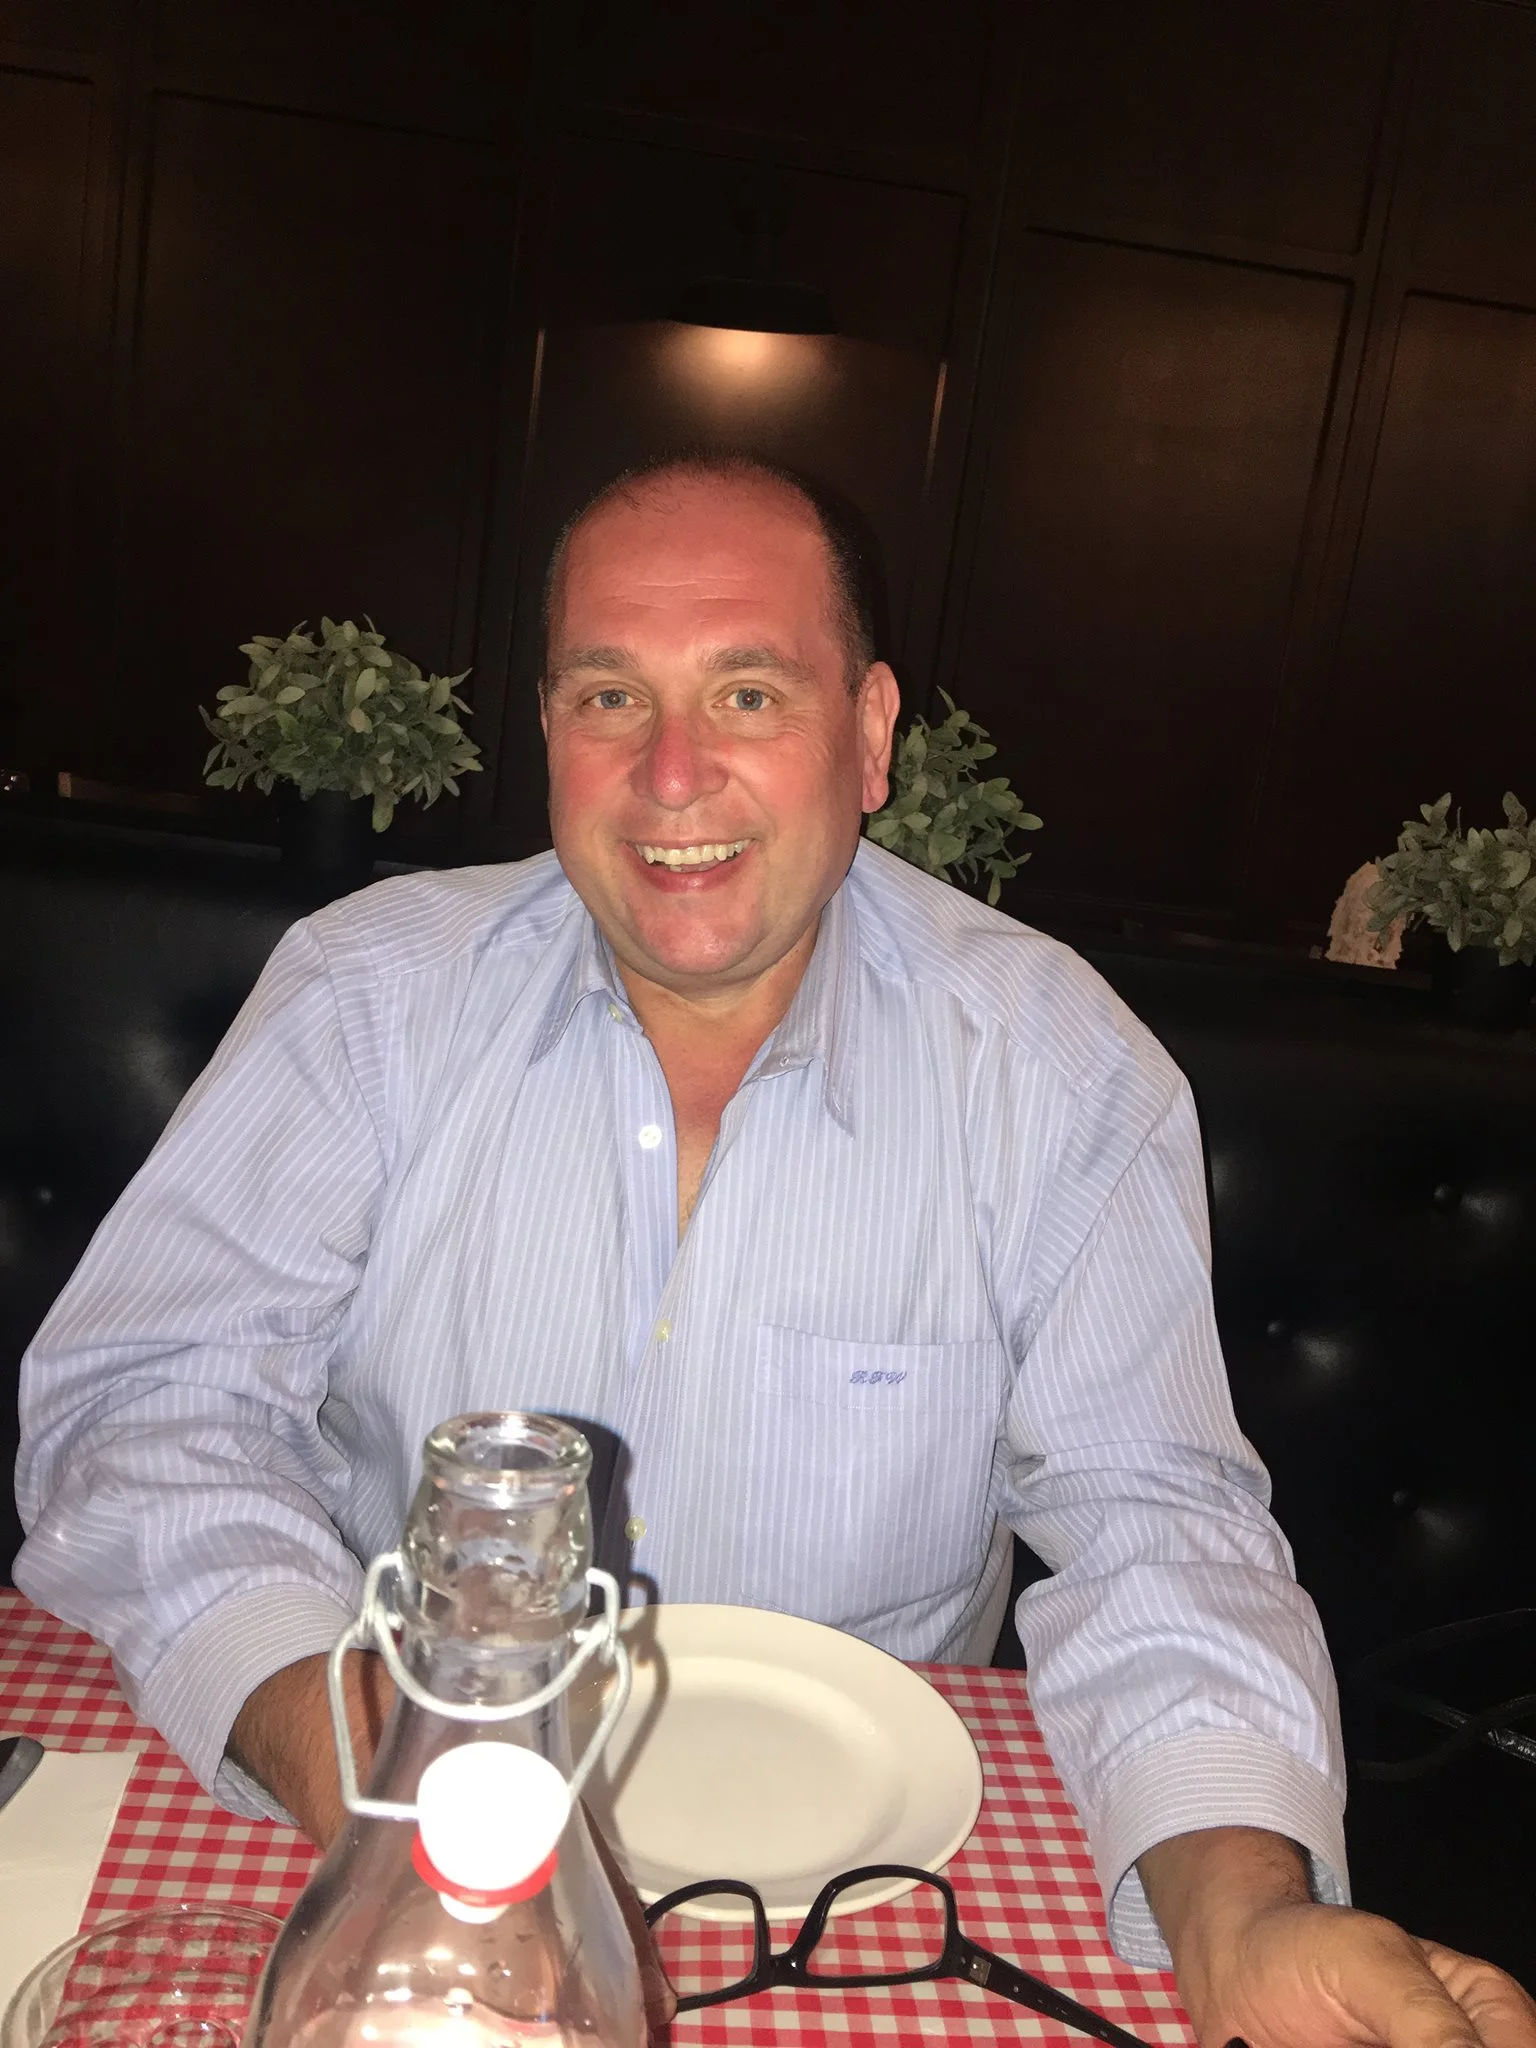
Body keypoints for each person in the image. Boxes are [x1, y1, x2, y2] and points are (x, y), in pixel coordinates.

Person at [14, 455, 1535, 2048]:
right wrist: (375, 1766)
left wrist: (1242, 1909)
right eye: (611, 696)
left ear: (870, 736)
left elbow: (1154, 1520)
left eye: (748, 693)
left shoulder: (1054, 1066)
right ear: (547, 729)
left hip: (872, 1910)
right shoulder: (363, 1000)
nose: (673, 777)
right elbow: (145, 1402)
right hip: (401, 1845)